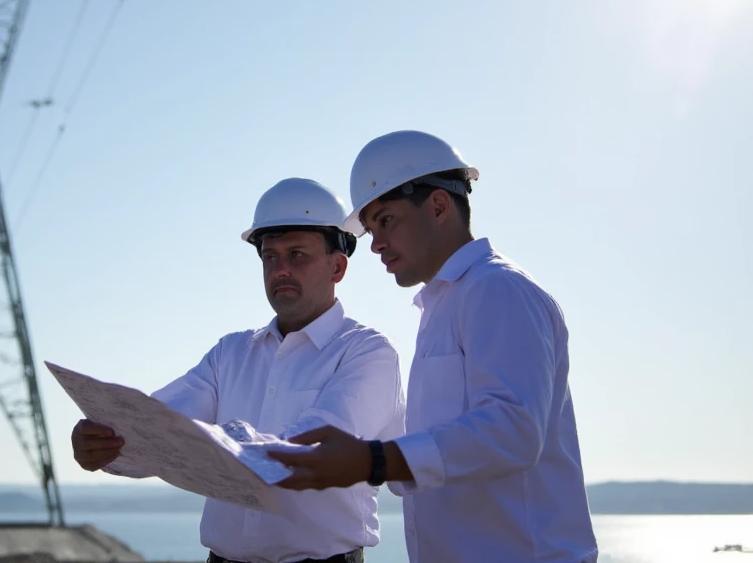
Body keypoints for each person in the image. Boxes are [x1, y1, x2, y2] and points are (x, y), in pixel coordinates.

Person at [269, 131, 599, 562]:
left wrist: (373, 460)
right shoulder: (445, 305)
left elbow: (514, 430)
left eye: (385, 220)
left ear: (439, 206)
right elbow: (447, 453)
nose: (376, 244)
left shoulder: (498, 289)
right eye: (370, 229)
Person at [71, 177, 406, 563]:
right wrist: (109, 443)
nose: (280, 269)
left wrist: (210, 440)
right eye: (270, 257)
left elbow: (314, 450)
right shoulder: (230, 353)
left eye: (296, 255)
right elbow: (160, 425)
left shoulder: (368, 353)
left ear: (338, 266)